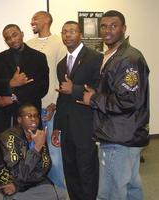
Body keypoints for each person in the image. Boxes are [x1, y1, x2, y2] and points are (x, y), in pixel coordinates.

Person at [78, 10, 150, 200]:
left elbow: (128, 100)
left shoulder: (127, 59)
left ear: (124, 29)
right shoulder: (114, 55)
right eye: (104, 26)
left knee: (110, 193)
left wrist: (93, 99)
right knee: (130, 188)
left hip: (119, 137)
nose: (107, 30)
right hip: (124, 134)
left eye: (113, 26)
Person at [51, 21, 102, 200]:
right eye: (64, 32)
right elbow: (62, 97)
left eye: (72, 31)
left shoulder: (96, 57)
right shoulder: (61, 65)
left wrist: (76, 89)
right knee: (70, 169)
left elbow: (100, 89)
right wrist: (57, 126)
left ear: (80, 33)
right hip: (66, 125)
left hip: (86, 124)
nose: (68, 35)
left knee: (86, 170)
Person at [0, 24, 49, 163]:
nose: (12, 40)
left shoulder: (38, 57)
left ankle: (29, 184)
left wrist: (14, 96)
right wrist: (11, 84)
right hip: (4, 115)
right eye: (8, 38)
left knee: (31, 154)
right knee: (3, 154)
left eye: (14, 35)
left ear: (22, 34)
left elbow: (42, 87)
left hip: (29, 113)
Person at [0, 103, 63, 200]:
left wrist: (17, 186)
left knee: (59, 194)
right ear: (19, 120)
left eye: (36, 116)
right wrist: (36, 148)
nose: (33, 119)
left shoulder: (39, 136)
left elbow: (42, 170)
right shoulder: (7, 138)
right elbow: (18, 172)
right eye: (29, 116)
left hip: (22, 184)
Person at [27, 11, 67, 194]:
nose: (32, 22)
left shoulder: (59, 43)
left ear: (47, 20)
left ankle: (59, 191)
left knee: (54, 152)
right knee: (33, 150)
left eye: (35, 18)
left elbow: (62, 76)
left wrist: (54, 103)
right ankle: (38, 191)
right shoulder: (28, 44)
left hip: (50, 107)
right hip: (32, 108)